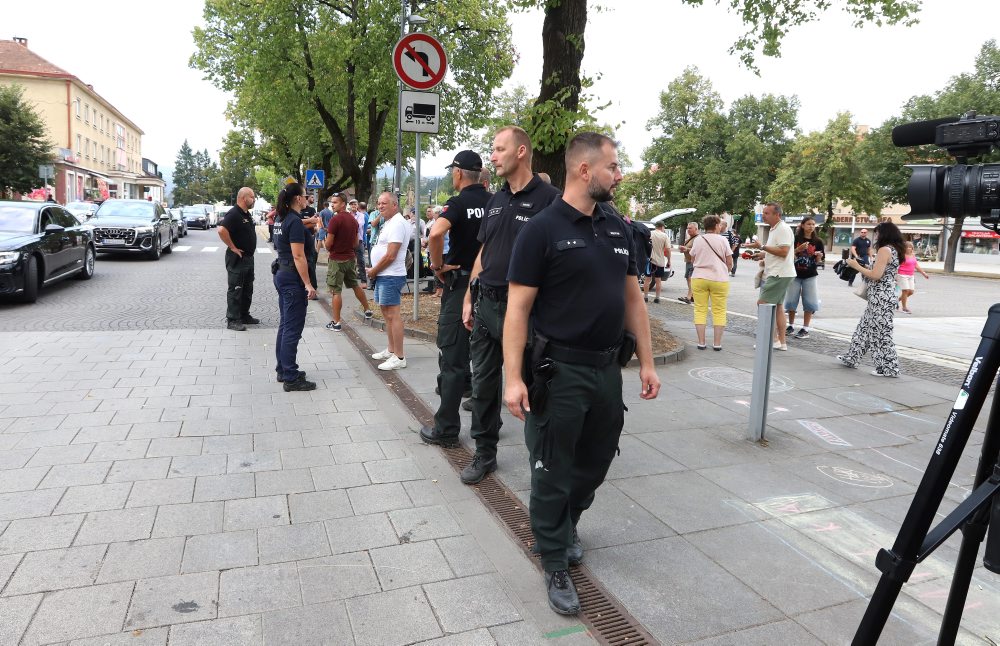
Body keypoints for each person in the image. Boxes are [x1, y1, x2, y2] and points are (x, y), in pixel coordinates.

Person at [502, 132, 660, 616]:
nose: (619, 174)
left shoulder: (616, 228)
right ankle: (553, 559)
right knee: (551, 466)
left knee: (594, 462)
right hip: (559, 372)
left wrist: (648, 362)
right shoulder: (542, 230)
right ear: (584, 170)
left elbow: (633, 298)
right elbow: (516, 310)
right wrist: (513, 377)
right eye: (613, 166)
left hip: (606, 370)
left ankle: (566, 522)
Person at [460, 126, 561, 485]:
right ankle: (484, 452)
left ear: (521, 151)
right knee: (484, 384)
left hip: (527, 314)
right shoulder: (496, 200)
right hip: (487, 304)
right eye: (493, 150)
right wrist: (470, 295)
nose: (492, 156)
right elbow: (484, 252)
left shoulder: (551, 200)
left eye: (499, 149)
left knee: (535, 389)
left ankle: (543, 463)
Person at [420, 150, 490, 448]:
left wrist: (437, 267)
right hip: (493, 290)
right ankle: (490, 426)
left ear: (459, 173)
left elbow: (436, 234)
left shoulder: (458, 204)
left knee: (453, 361)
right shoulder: (496, 203)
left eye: (453, 172)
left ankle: (446, 428)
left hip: (461, 287)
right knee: (488, 362)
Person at [837, 221, 906, 377]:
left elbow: (876, 276)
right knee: (864, 328)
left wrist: (856, 266)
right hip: (884, 296)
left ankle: (889, 368)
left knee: (880, 333)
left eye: (878, 233)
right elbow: (883, 272)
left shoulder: (884, 250)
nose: (876, 236)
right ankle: (852, 357)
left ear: (884, 234)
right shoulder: (895, 250)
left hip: (880, 297)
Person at [272, 183, 317, 391]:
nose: (307, 198)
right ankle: (291, 377)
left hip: (282, 274)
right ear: (298, 199)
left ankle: (283, 369)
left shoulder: (282, 219)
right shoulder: (294, 221)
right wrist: (308, 284)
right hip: (292, 279)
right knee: (292, 328)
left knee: (285, 325)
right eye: (304, 195)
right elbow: (298, 256)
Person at [367, 192, 411, 370]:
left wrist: (373, 271)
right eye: (378, 203)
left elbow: (391, 255)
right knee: (386, 313)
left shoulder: (398, 223)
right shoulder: (389, 222)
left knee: (393, 315)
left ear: (395, 205)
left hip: (391, 274)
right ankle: (391, 350)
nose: (380, 206)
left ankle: (399, 357)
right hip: (384, 274)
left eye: (384, 203)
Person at [745, 202, 795, 350]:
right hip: (781, 272)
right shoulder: (775, 229)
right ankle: (781, 342)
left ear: (777, 214)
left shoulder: (783, 229)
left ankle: (770, 340)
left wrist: (762, 247)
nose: (763, 215)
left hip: (779, 273)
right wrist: (760, 254)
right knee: (778, 307)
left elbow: (783, 251)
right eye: (763, 212)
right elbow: (776, 251)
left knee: (763, 304)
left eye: (767, 213)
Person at [324, 192, 373, 331]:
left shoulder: (335, 220)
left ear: (343, 204)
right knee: (355, 285)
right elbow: (356, 242)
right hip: (350, 258)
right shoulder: (353, 220)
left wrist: (331, 245)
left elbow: (328, 244)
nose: (332, 205)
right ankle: (367, 309)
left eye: (335, 202)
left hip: (336, 260)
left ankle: (336, 322)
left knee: (336, 291)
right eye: (332, 202)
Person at [218, 187, 260, 331]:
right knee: (236, 288)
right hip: (238, 259)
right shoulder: (234, 213)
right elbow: (221, 230)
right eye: (252, 197)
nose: (254, 199)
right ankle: (233, 319)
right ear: (243, 198)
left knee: (247, 289)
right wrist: (233, 247)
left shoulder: (246, 214)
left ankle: (244, 315)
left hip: (248, 258)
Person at [688, 215, 733, 350]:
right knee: (719, 311)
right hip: (719, 279)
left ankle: (701, 342)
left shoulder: (698, 240)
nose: (720, 227)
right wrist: (726, 269)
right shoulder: (723, 240)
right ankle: (717, 343)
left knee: (700, 310)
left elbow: (692, 259)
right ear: (716, 226)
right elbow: (729, 261)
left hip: (699, 278)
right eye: (719, 225)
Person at [784, 216, 825, 339]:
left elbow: (820, 260)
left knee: (810, 302)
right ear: (802, 225)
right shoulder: (795, 238)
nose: (811, 226)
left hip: (810, 275)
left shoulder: (818, 241)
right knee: (791, 301)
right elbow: (787, 255)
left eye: (813, 224)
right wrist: (798, 249)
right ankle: (790, 325)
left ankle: (805, 328)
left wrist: (819, 257)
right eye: (808, 224)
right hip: (794, 274)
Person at [897, 241, 929, 313]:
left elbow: (916, 266)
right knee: (905, 290)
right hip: (902, 275)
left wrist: (924, 274)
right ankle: (904, 307)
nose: (909, 248)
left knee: (911, 292)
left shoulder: (913, 255)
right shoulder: (901, 255)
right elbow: (895, 265)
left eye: (910, 247)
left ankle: (896, 301)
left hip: (911, 276)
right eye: (907, 247)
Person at [643, 221, 671, 303]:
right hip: (659, 261)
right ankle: (657, 298)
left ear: (656, 226)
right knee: (658, 280)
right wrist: (669, 261)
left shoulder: (650, 234)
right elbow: (668, 249)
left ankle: (645, 297)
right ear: (662, 227)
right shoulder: (664, 236)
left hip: (649, 261)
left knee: (647, 279)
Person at [677, 221, 699, 304]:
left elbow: (698, 250)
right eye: (687, 228)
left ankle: (689, 297)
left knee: (690, 279)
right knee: (688, 278)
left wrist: (686, 249)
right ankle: (692, 296)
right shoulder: (689, 238)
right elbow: (687, 249)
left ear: (696, 229)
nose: (688, 230)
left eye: (690, 228)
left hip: (694, 262)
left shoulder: (697, 238)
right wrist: (683, 249)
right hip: (688, 261)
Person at [350, 199, 369, 288]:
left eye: (355, 204)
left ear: (357, 205)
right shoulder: (348, 215)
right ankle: (350, 279)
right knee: (349, 260)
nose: (353, 205)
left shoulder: (361, 215)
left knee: (360, 261)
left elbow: (359, 225)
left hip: (359, 240)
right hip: (348, 240)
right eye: (351, 204)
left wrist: (349, 224)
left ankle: (363, 281)